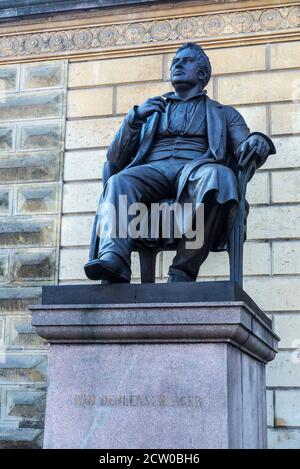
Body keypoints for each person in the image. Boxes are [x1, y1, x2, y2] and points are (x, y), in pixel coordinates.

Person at [84, 42, 275, 283]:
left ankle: (183, 271)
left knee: (221, 177)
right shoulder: (150, 110)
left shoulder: (224, 113)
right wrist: (133, 119)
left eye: (186, 60)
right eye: (175, 61)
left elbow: (243, 145)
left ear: (203, 74)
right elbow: (115, 158)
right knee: (118, 181)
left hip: (196, 170)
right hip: (152, 171)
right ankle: (115, 258)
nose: (177, 63)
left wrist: (258, 140)